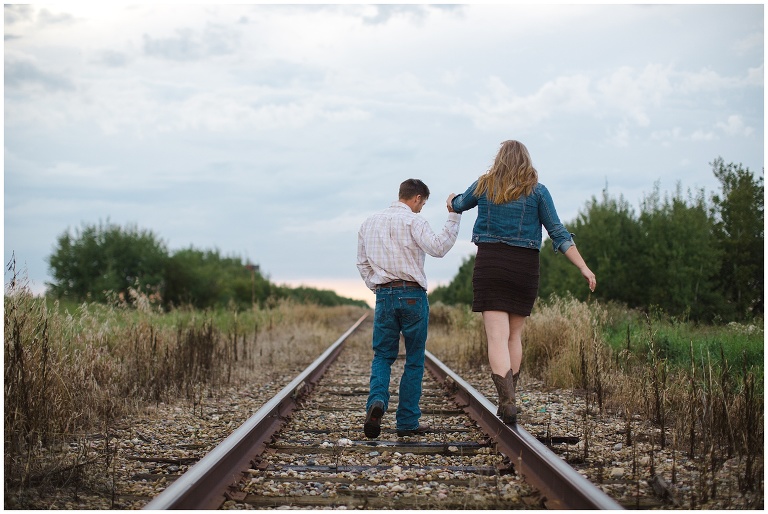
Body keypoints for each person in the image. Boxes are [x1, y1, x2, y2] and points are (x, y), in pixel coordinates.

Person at [449, 140, 596, 425]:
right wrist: (584, 267)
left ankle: (507, 402)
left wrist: (450, 200)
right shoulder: (538, 192)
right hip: (524, 268)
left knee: (496, 337)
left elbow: (459, 205)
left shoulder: (484, 185)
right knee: (513, 336)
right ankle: (510, 401)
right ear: (526, 161)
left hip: (491, 263)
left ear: (499, 159)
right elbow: (558, 232)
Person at [357, 178, 461, 438]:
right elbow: (438, 248)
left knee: (382, 356)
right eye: (422, 204)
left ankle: (377, 402)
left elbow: (362, 263)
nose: (421, 208)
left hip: (384, 296)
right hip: (413, 295)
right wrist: (454, 216)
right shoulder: (414, 221)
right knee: (414, 360)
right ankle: (406, 422)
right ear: (416, 198)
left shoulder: (369, 223)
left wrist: (378, 288)